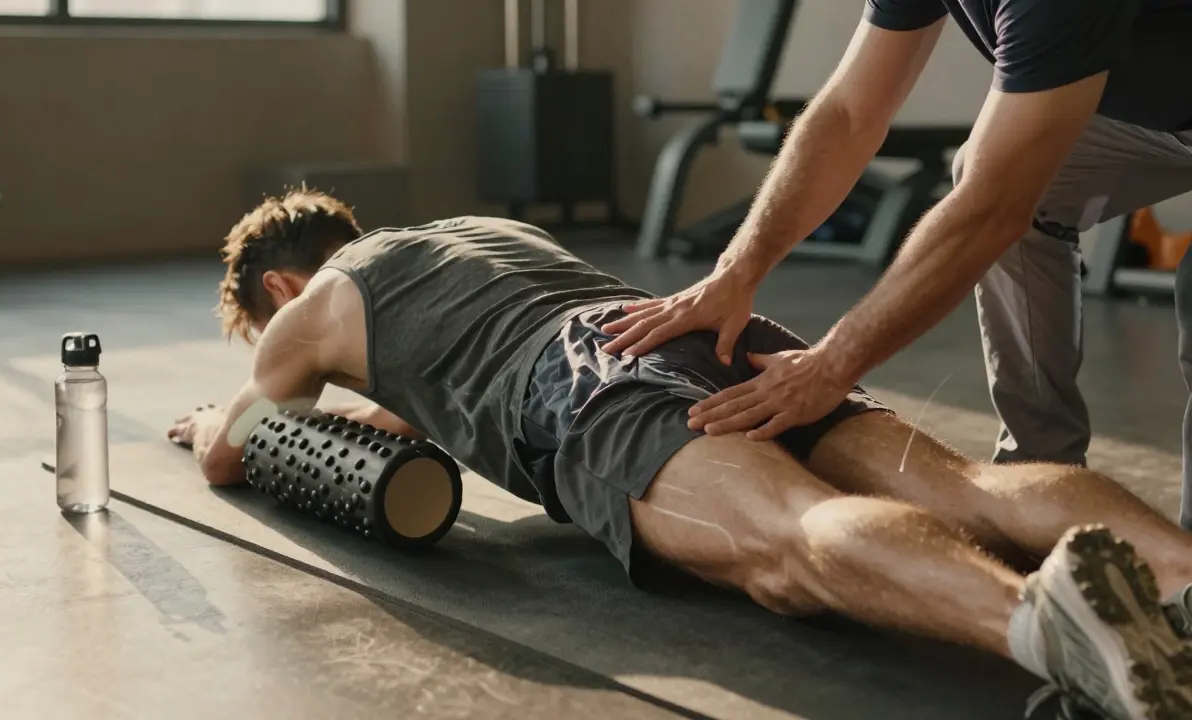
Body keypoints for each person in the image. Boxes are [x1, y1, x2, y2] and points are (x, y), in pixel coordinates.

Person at [169, 190, 1192, 720]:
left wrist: (211, 413)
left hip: (578, 383)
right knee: (963, 484)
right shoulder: (472, 233)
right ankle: (1178, 575)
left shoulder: (312, 308)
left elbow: (234, 448)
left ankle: (1037, 626)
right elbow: (439, 393)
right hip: (682, 325)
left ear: (273, 291)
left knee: (783, 542)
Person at [600, 1, 1192, 531]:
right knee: (1006, 182)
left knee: (1008, 193)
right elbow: (850, 113)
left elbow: (990, 212)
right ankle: (1044, 486)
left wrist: (830, 367)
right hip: (1160, 120)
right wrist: (735, 271)